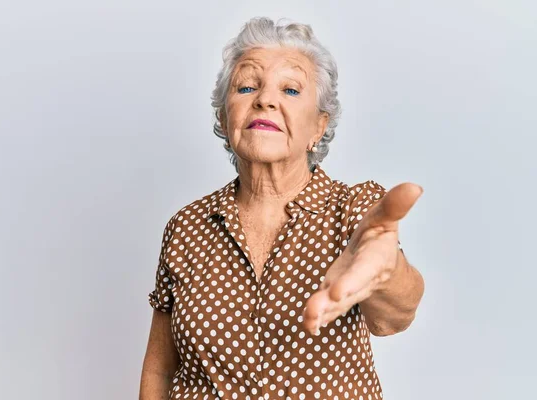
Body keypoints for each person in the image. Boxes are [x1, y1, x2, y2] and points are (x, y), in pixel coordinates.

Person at [139, 16, 425, 400]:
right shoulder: (186, 227)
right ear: (224, 118)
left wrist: (385, 270)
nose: (265, 99)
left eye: (290, 90)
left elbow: (394, 315)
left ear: (319, 126)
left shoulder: (353, 210)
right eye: (246, 86)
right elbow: (160, 368)